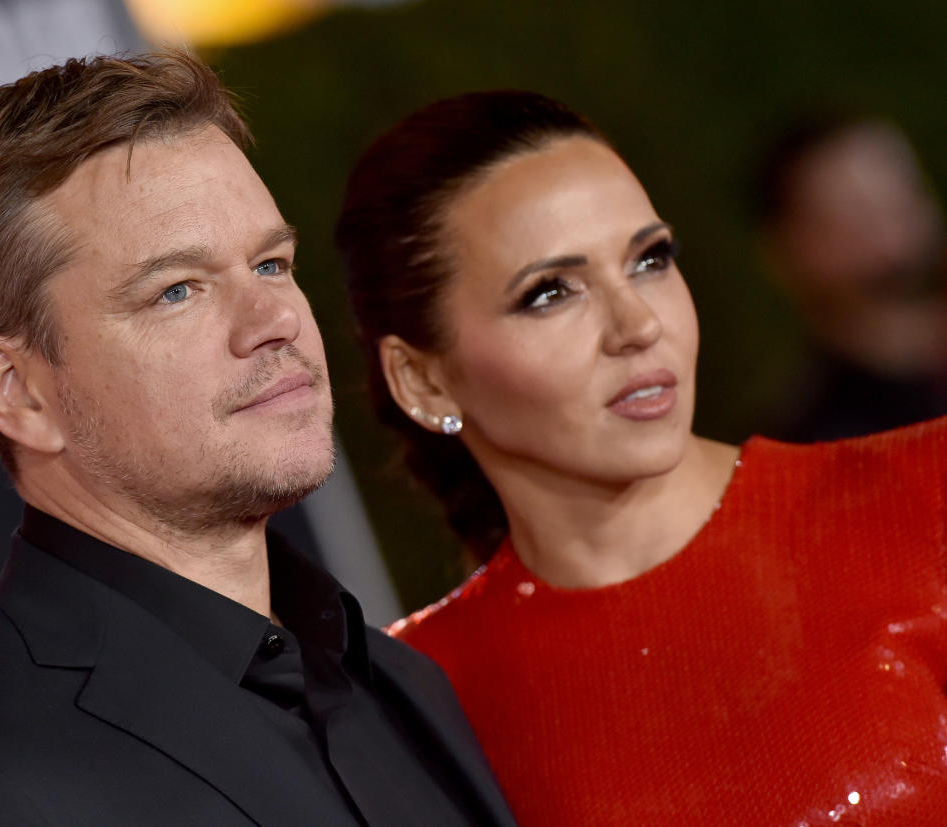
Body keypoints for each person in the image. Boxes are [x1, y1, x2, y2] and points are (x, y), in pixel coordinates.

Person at [0, 53, 515, 827]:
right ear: (18, 388)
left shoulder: (406, 686)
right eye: (178, 290)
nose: (274, 320)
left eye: (272, 264)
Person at [335, 90, 947, 825]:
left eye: (650, 259)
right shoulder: (410, 700)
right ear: (423, 378)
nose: (638, 324)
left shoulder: (924, 491)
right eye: (549, 292)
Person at [755, 114, 947, 441]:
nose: (892, 235)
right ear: (789, 250)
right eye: (855, 216)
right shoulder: (822, 445)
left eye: (898, 199)